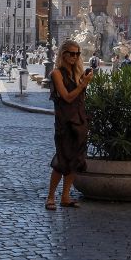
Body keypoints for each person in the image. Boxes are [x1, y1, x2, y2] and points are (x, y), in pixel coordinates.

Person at [46, 40, 93, 210]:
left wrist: (83, 82)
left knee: (76, 159)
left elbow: (80, 98)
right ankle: (50, 196)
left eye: (77, 54)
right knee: (62, 159)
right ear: (63, 54)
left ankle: (65, 196)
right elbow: (67, 97)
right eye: (71, 53)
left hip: (79, 120)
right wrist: (83, 84)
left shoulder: (77, 73)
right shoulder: (56, 74)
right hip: (65, 121)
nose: (74, 57)